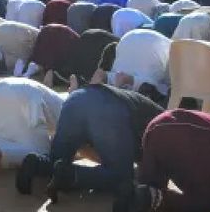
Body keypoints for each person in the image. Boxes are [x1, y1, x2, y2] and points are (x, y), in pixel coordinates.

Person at [16, 83, 163, 202]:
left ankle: (37, 163)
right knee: (121, 177)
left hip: (77, 99)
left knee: (56, 159)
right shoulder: (168, 129)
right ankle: (70, 175)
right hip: (108, 108)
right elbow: (152, 174)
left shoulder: (156, 115)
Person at [116, 109, 210, 212]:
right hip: (191, 138)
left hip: (155, 127)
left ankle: (142, 192)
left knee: (151, 180)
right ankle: (156, 197)